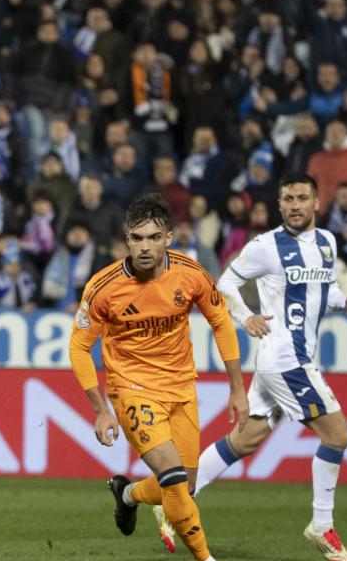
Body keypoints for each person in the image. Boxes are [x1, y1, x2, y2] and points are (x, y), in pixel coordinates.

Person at [193, 173, 347, 561]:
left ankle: (176, 497)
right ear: (280, 204)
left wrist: (346, 301)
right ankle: (322, 526)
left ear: (317, 203)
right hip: (285, 359)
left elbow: (324, 290)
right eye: (287, 198)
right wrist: (246, 317)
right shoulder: (266, 246)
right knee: (337, 436)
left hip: (289, 359)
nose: (294, 205)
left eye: (302, 197)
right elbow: (224, 284)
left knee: (244, 440)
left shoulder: (327, 242)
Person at [68, 193, 245, 561]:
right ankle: (205, 557)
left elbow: (221, 322)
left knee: (186, 485)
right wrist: (100, 409)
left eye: (153, 237)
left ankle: (128, 494)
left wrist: (237, 388)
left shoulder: (191, 273)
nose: (144, 247)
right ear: (126, 239)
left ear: (168, 237)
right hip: (132, 390)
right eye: (136, 238)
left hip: (181, 388)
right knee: (175, 479)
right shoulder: (104, 288)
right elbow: (78, 348)